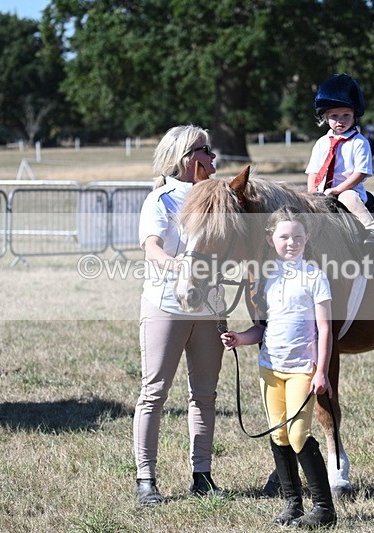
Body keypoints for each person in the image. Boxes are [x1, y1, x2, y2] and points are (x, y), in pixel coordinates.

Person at [220, 207, 337, 529]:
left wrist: (322, 371)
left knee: (299, 434)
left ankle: (324, 509)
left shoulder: (314, 276)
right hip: (270, 369)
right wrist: (240, 338)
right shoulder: (267, 278)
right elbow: (263, 328)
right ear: (271, 239)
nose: (291, 242)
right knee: (280, 435)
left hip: (302, 368)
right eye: (284, 237)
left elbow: (325, 329)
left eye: (298, 237)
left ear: (307, 239)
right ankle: (293, 504)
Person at [133, 125, 226, 506]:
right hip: (166, 305)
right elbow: (151, 246)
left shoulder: (219, 197)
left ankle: (202, 475)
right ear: (188, 156)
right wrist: (179, 268)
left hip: (211, 306)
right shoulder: (161, 199)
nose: (213, 158)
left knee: (204, 394)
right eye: (207, 151)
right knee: (154, 393)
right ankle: (146, 477)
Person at [306, 73, 374, 258]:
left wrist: (337, 190)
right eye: (334, 116)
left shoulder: (359, 142)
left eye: (346, 115)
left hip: (348, 189)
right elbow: (313, 171)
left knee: (349, 198)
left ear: (354, 116)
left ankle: (372, 232)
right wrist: (312, 191)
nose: (340, 120)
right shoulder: (321, 142)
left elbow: (360, 173)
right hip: (320, 191)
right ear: (325, 117)